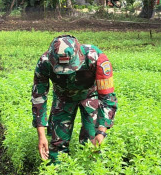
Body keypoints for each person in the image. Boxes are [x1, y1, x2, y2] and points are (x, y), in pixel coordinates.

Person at [32, 34, 117, 163]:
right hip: (63, 97)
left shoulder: (96, 58)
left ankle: (90, 174)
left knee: (92, 143)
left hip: (90, 95)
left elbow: (107, 97)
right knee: (57, 144)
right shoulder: (45, 62)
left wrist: (102, 131)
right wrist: (41, 135)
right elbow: (39, 97)